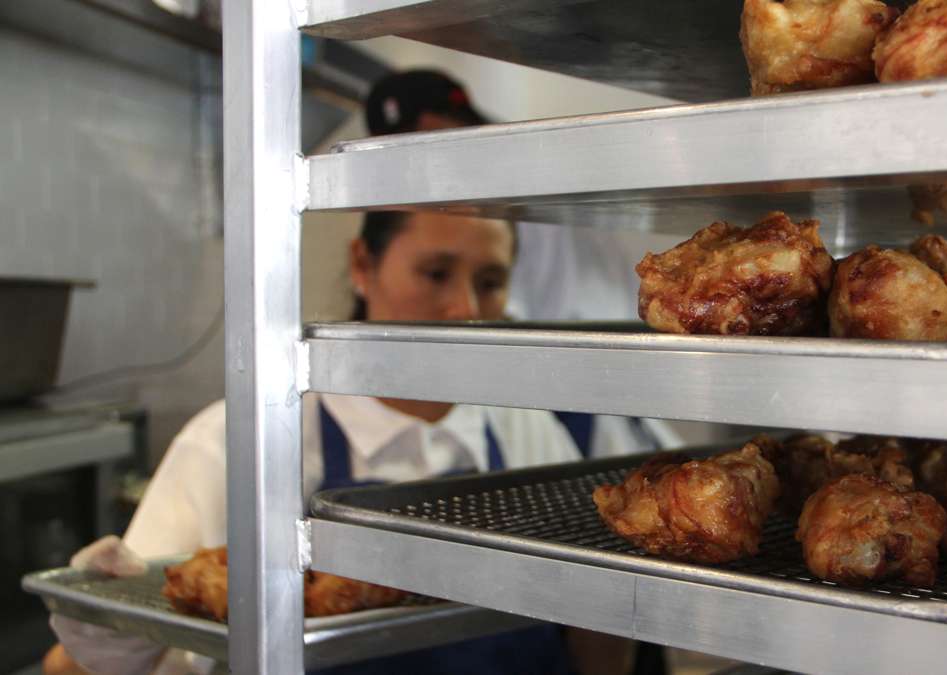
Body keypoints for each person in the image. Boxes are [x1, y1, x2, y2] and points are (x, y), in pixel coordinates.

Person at [44, 71, 624, 675]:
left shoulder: (528, 434)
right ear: (362, 266)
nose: (466, 312)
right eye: (434, 274)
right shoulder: (237, 446)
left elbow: (593, 647)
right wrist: (113, 646)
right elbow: (65, 669)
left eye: (489, 281)